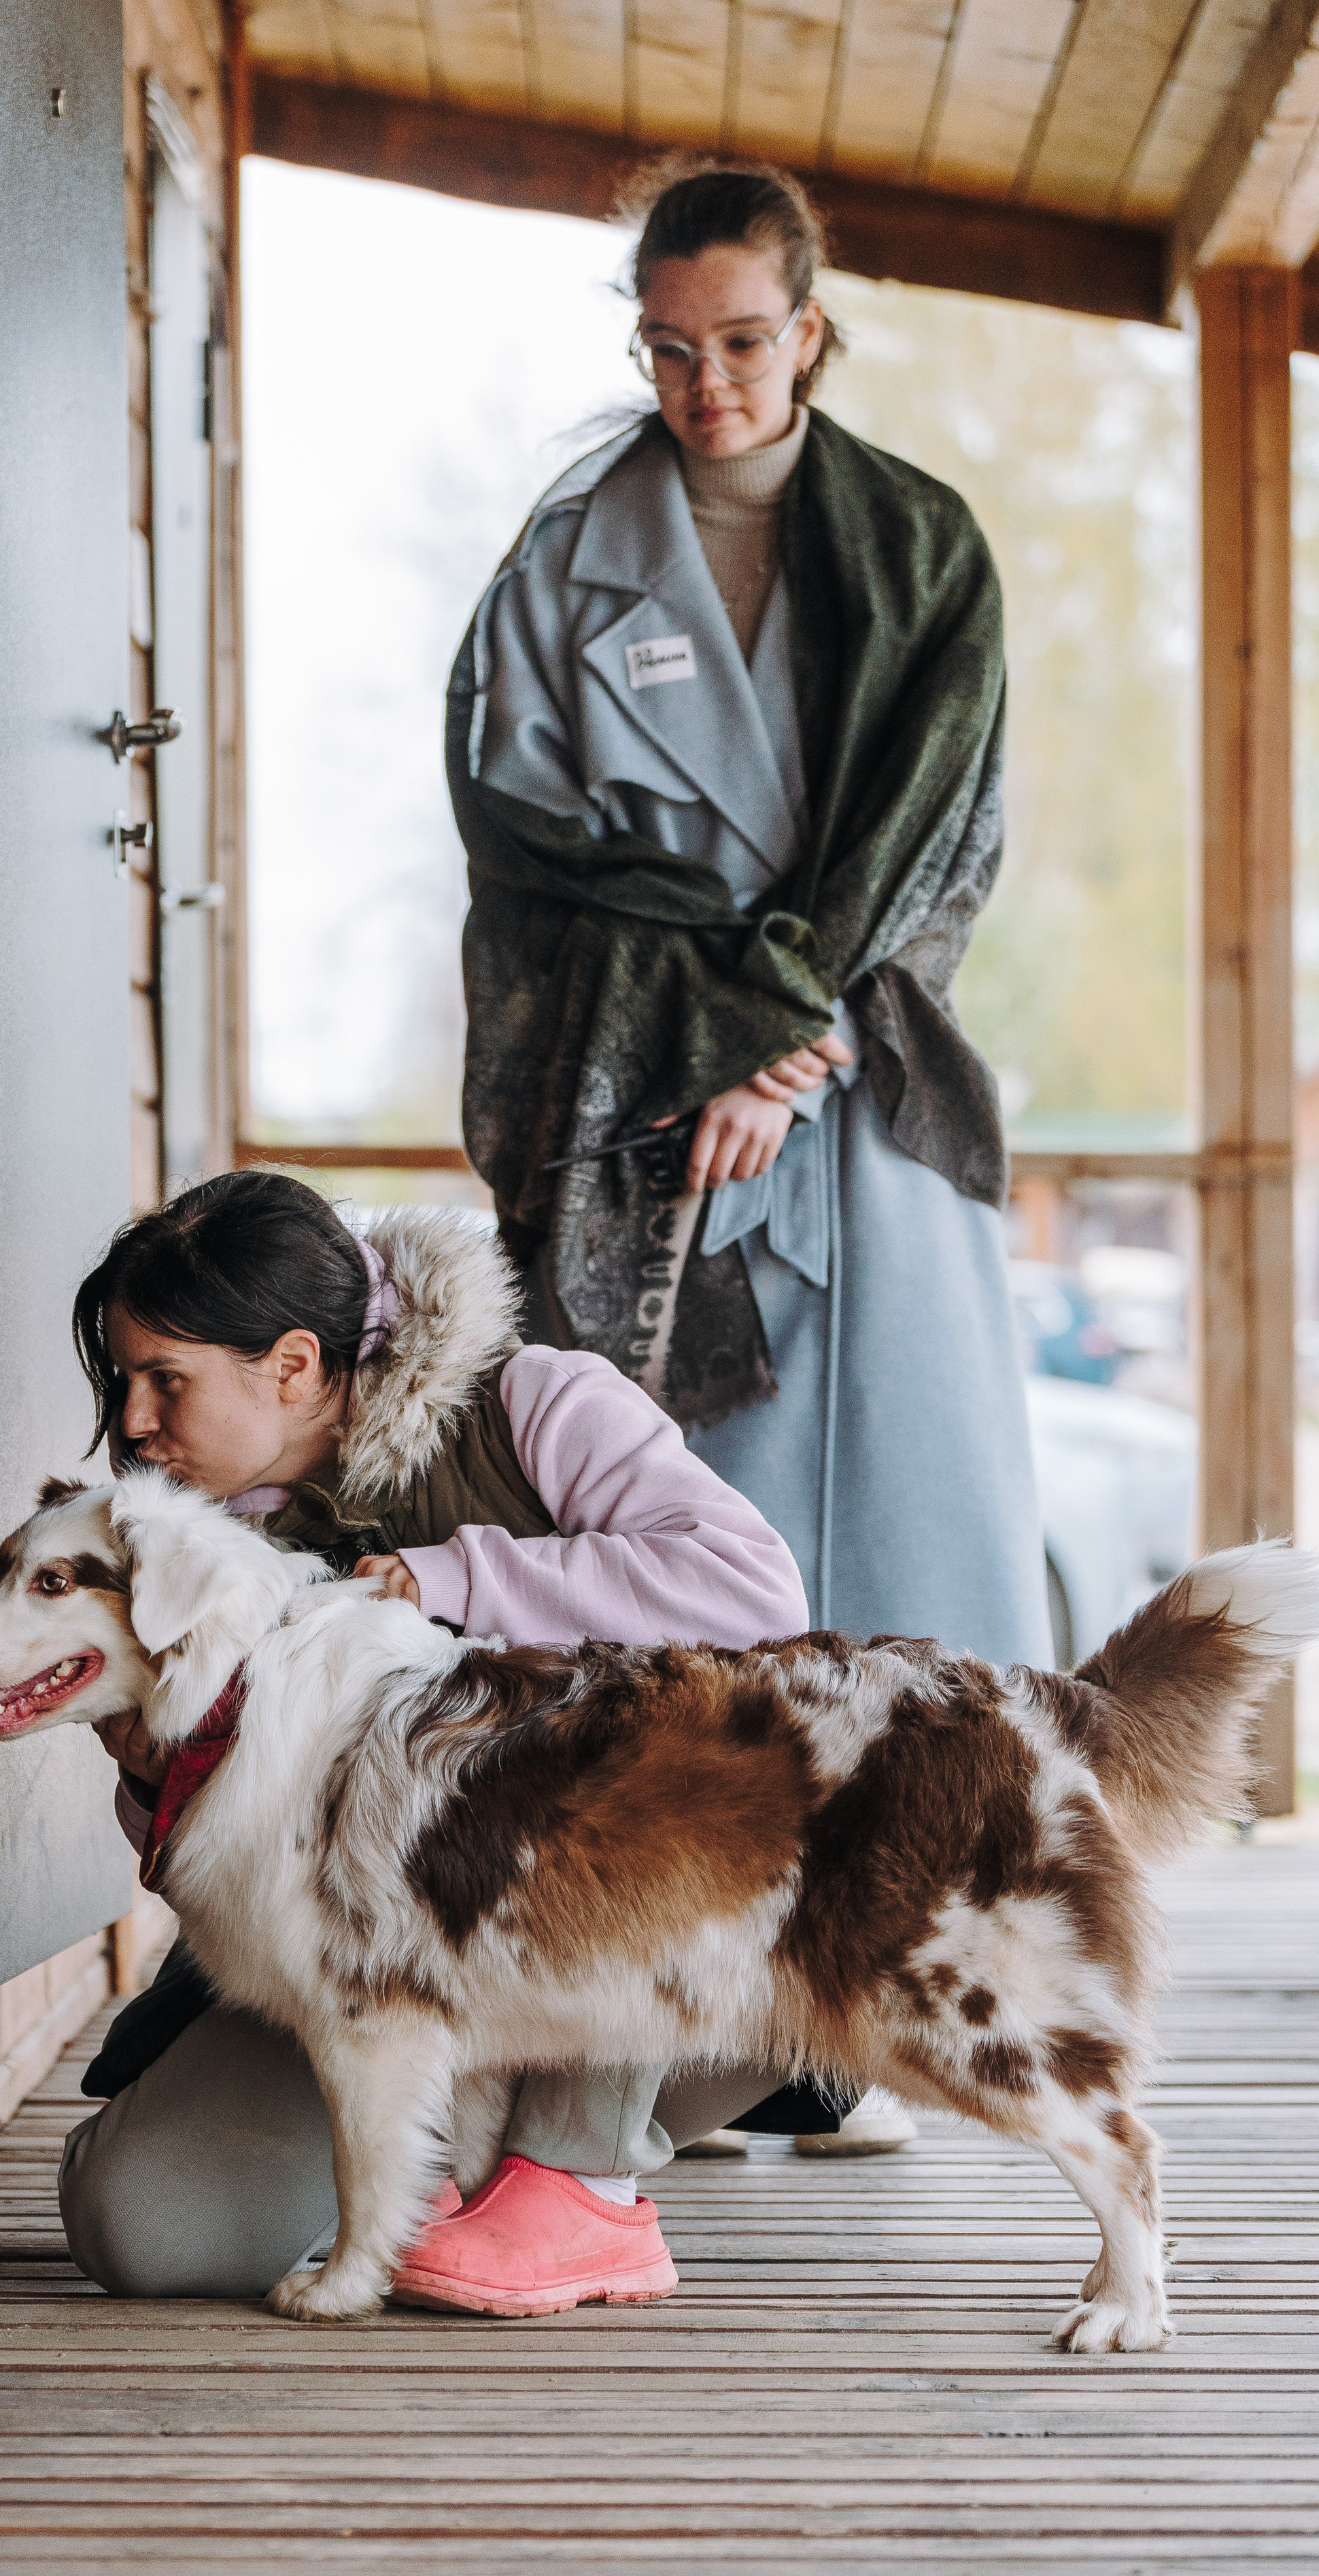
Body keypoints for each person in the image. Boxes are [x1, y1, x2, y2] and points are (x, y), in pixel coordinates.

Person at [454, 158, 1049, 1682]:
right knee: (667, 1571)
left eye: (738, 341)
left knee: (919, 1526)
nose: (703, 383)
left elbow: (939, 841)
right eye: (667, 346)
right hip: (649, 1097)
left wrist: (786, 1043)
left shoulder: (923, 549)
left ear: (807, 333)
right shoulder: (560, 565)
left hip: (863, 1089)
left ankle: (957, 1808)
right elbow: (525, 860)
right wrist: (713, 1034)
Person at [58, 1169, 818, 2315]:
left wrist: (456, 1580)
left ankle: (580, 2163)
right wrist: (154, 1774)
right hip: (366, 1969)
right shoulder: (191, 1550)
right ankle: (493, 2153)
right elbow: (203, 1866)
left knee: (648, 1761)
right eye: (125, 1381)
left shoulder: (539, 1401)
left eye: (166, 1379)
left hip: (630, 1917)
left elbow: (755, 1596)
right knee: (140, 2222)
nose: (132, 1421)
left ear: (294, 1365)